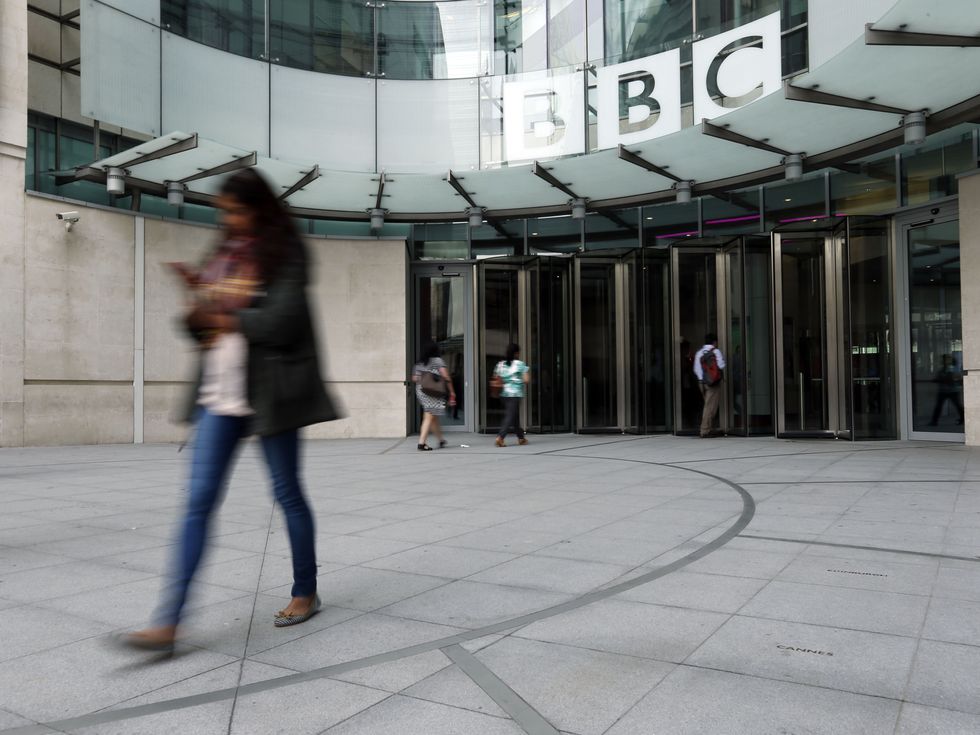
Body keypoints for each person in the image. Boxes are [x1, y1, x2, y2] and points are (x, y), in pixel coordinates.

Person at [121, 168, 339, 652]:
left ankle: (306, 589)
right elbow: (201, 326)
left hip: (269, 391)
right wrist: (196, 295)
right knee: (198, 500)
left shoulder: (287, 251)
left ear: (259, 207)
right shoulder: (223, 253)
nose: (230, 220)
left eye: (236, 211)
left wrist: (220, 311)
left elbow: (283, 321)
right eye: (224, 213)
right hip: (218, 394)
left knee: (287, 493)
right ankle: (169, 622)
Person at [413, 340, 456, 450]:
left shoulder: (419, 363)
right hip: (433, 391)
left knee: (432, 416)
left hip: (421, 391)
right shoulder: (437, 361)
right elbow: (446, 377)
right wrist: (451, 391)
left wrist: (425, 376)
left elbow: (415, 378)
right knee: (429, 416)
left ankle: (441, 440)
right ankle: (421, 443)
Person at [493, 343, 530, 447]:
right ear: (517, 353)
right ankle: (500, 437)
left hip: (503, 394)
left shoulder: (500, 364)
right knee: (510, 415)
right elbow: (526, 380)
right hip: (515, 394)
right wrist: (518, 379)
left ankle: (521, 438)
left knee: (514, 416)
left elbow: (496, 378)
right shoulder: (520, 364)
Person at [693, 333, 726, 438]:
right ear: (714, 342)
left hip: (701, 383)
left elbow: (696, 369)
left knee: (708, 405)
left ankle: (709, 428)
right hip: (713, 383)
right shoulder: (715, 352)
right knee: (710, 407)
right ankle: (705, 430)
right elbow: (721, 365)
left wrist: (701, 379)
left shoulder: (699, 353)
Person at [929, 353, 964, 427]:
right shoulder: (943, 369)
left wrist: (942, 379)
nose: (942, 361)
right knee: (939, 406)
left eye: (944, 360)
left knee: (957, 405)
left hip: (951, 391)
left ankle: (962, 419)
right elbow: (941, 378)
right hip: (945, 391)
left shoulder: (951, 369)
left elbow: (952, 379)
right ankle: (934, 421)